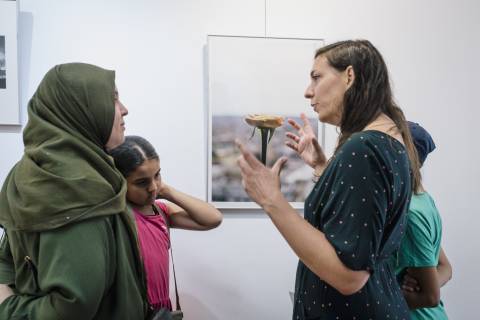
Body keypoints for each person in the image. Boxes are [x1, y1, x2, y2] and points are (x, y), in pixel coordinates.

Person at [236, 40, 421, 319]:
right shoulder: (389, 141)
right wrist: (324, 167)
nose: (308, 91)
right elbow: (360, 225)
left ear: (349, 76)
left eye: (316, 77)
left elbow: (350, 276)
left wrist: (271, 200)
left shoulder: (364, 148)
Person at [0, 63, 148, 319]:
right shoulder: (76, 185)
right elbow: (72, 307)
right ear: (79, 110)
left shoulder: (30, 172)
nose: (124, 109)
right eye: (113, 99)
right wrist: (8, 308)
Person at [109, 135, 222, 312]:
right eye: (142, 182)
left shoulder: (161, 211)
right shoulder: (117, 217)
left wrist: (166, 190)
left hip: (162, 311)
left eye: (157, 175)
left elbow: (213, 218)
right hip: (133, 311)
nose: (153, 187)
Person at [394, 121, 452, 319]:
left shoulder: (410, 213)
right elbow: (445, 266)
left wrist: (375, 300)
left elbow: (430, 296)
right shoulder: (422, 199)